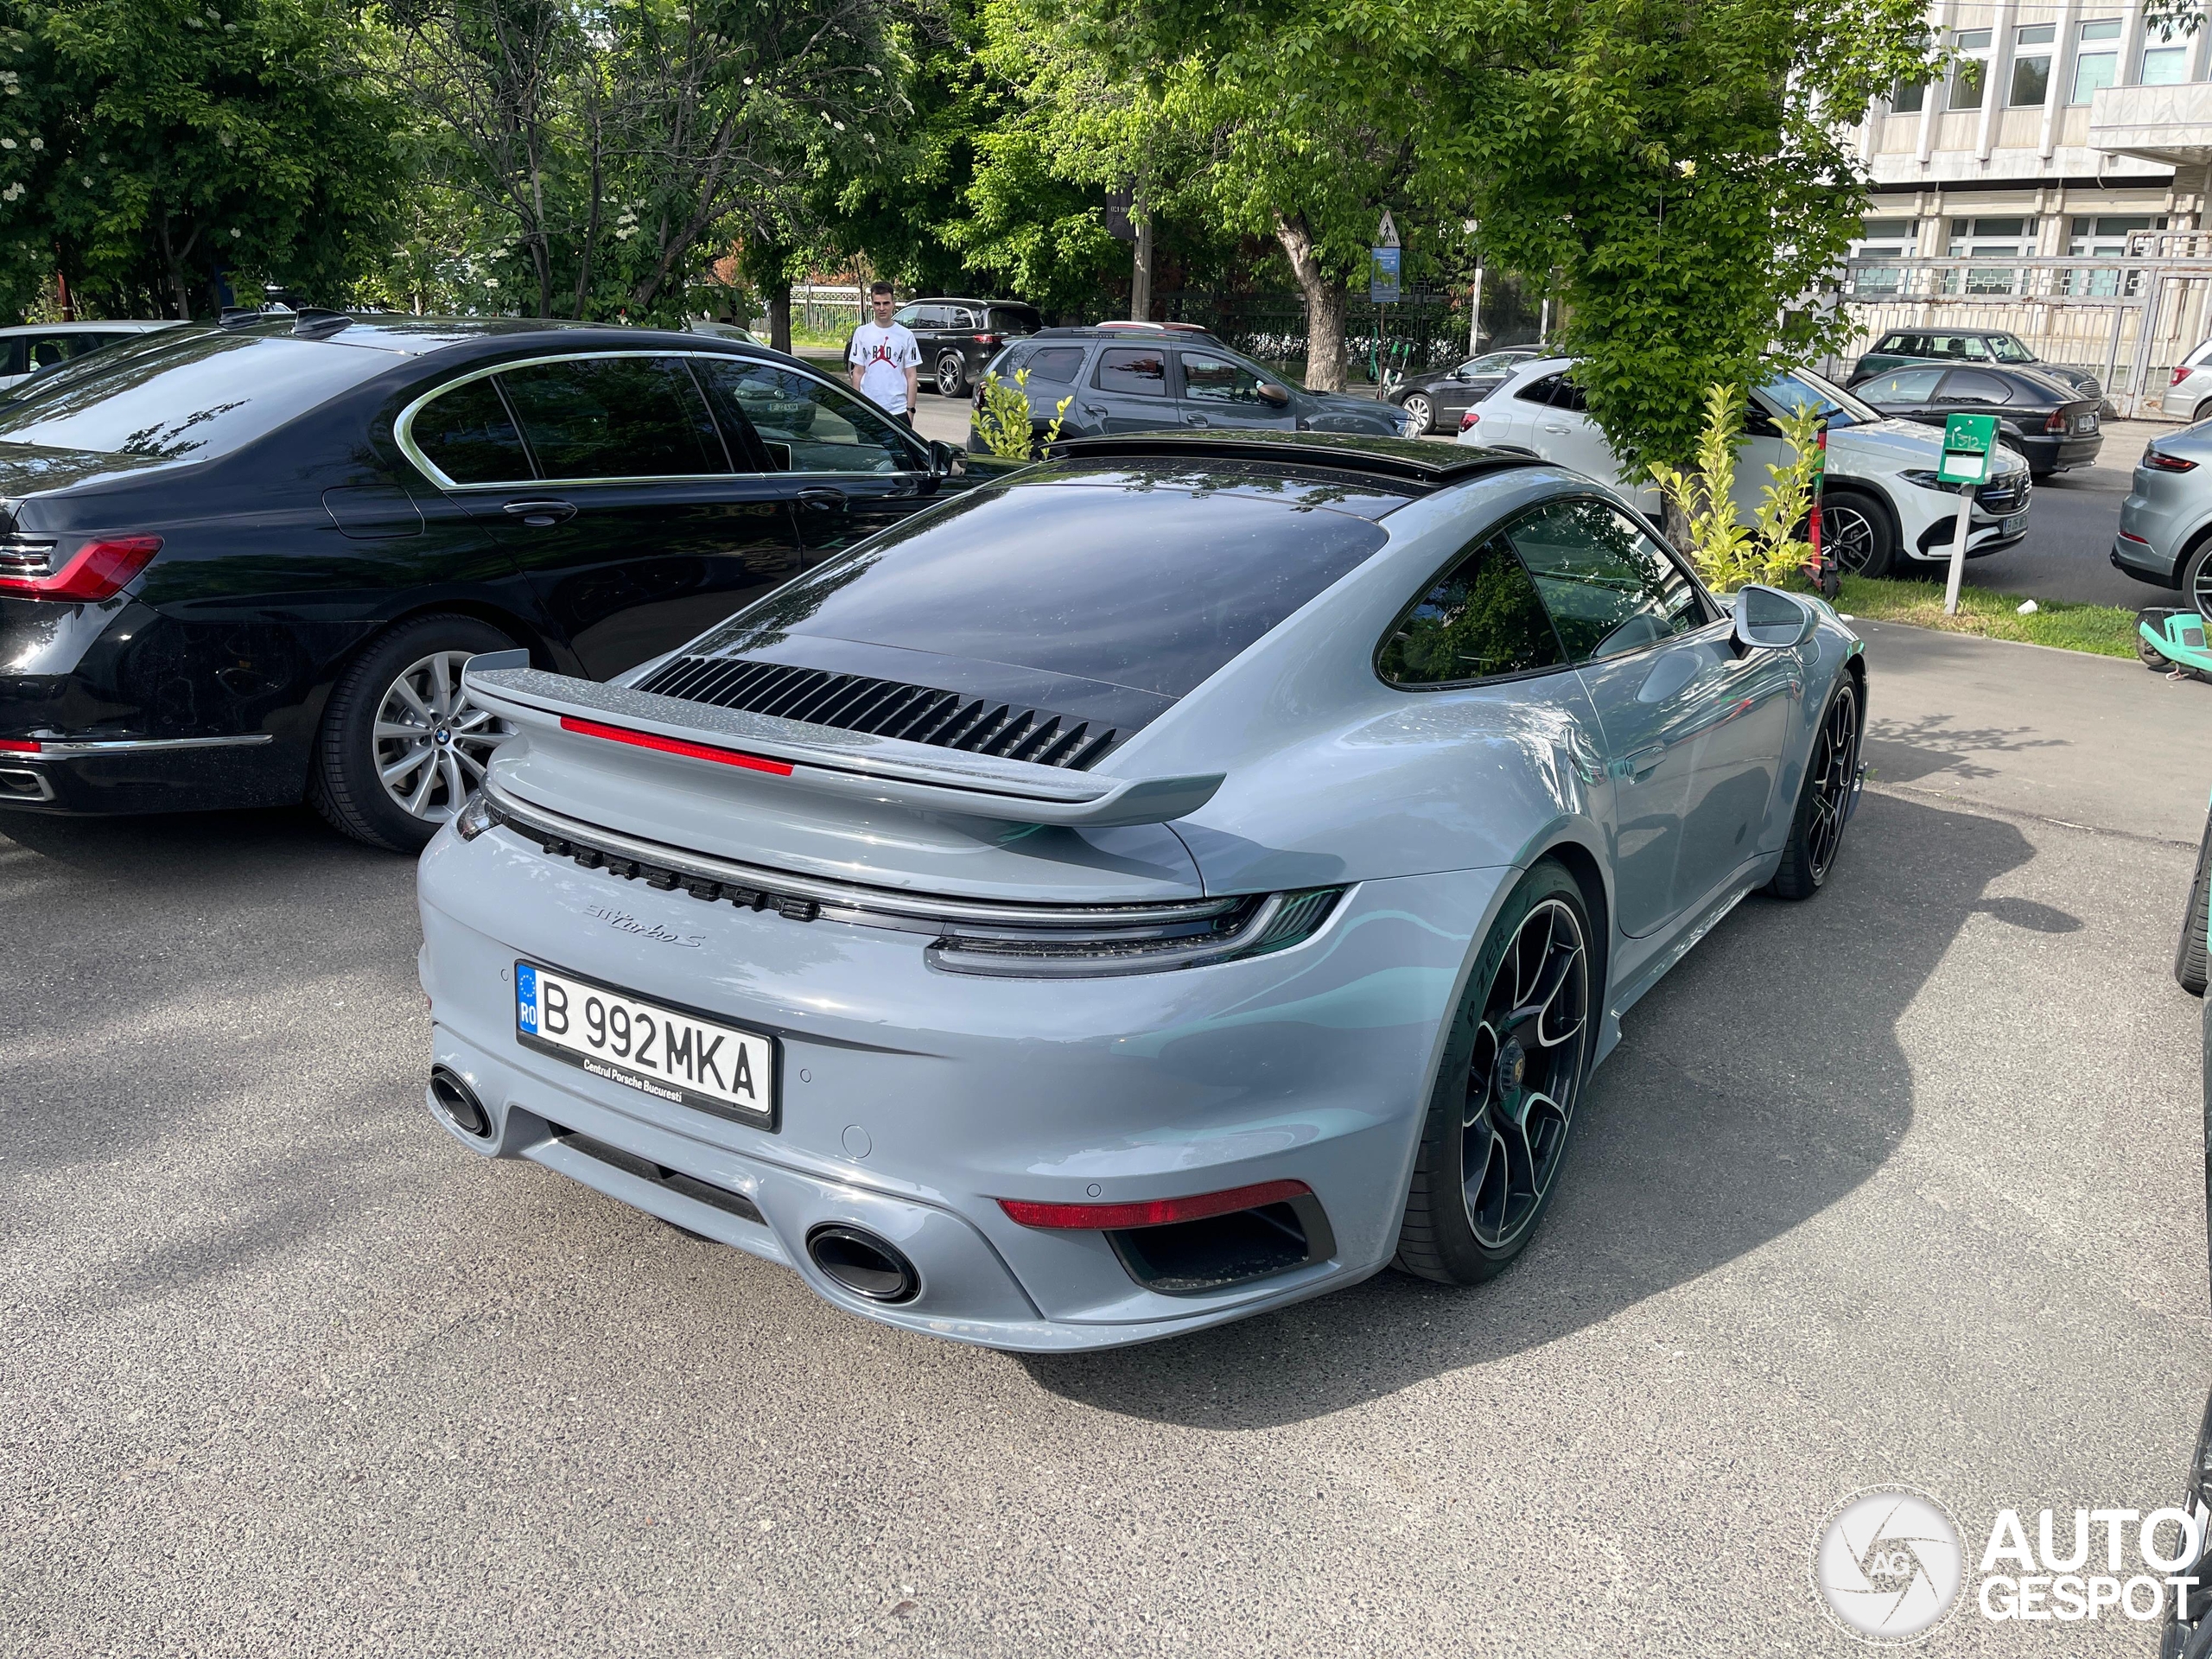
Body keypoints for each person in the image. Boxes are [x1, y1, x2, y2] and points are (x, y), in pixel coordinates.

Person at [848, 281, 920, 422]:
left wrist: (910, 411)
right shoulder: (861, 333)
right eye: (877, 303)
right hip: (868, 409)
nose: (882, 308)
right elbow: (857, 372)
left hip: (898, 410)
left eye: (886, 303)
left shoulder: (906, 335)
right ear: (872, 305)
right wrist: (857, 407)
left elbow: (911, 376)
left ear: (893, 303)